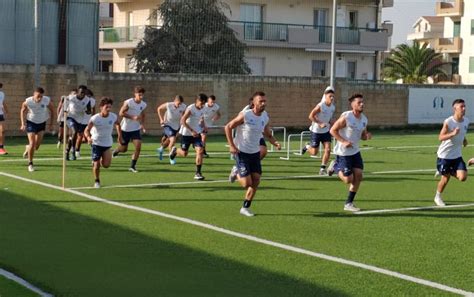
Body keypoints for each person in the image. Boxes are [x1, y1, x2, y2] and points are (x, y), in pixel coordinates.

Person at [225, 91, 281, 217]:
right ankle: (236, 171)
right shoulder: (246, 115)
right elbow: (228, 127)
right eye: (261, 101)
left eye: (265, 101)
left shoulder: (265, 116)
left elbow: (267, 133)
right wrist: (232, 146)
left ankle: (245, 207)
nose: (263, 103)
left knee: (256, 180)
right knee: (246, 183)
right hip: (242, 152)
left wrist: (275, 142)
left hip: (255, 153)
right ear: (254, 103)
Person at [329, 93, 371, 212]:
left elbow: (363, 135)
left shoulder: (364, 119)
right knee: (348, 180)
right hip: (343, 153)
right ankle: (335, 166)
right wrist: (343, 141)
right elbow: (333, 130)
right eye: (359, 102)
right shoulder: (346, 117)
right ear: (352, 104)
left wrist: (366, 136)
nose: (362, 104)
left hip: (355, 152)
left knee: (359, 176)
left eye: (362, 102)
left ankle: (349, 203)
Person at [433, 99, 469, 206]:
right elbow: (440, 137)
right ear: (455, 109)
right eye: (461, 107)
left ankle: (443, 171)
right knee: (445, 178)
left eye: (464, 106)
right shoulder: (449, 122)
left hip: (457, 155)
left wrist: (464, 140)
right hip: (444, 156)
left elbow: (462, 132)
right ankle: (437, 197)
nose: (464, 108)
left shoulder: (466, 121)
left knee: (463, 177)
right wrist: (452, 134)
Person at [84, 97, 120, 189]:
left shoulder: (113, 116)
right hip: (96, 143)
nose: (108, 109)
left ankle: (98, 160)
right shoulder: (95, 118)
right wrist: (88, 138)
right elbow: (86, 130)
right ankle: (97, 181)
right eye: (106, 107)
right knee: (96, 165)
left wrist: (120, 135)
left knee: (106, 165)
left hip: (107, 143)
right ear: (101, 107)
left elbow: (117, 124)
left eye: (110, 107)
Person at [169, 94, 207, 180]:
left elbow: (201, 118)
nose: (202, 105)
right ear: (197, 101)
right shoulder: (191, 108)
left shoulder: (203, 108)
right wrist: (191, 131)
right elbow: (182, 120)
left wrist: (204, 126)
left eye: (204, 103)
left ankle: (198, 173)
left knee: (200, 151)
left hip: (196, 134)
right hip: (186, 133)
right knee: (184, 153)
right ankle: (175, 151)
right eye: (201, 103)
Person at [20, 87, 55, 172]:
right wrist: (22, 123)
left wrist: (51, 124)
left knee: (37, 146)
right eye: (38, 96)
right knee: (32, 142)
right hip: (31, 122)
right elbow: (22, 110)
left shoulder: (46, 100)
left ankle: (28, 148)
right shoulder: (28, 101)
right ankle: (30, 163)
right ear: (34, 94)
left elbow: (53, 111)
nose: (39, 98)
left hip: (42, 123)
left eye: (41, 97)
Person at [113, 86, 147, 173]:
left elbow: (143, 114)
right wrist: (132, 117)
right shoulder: (129, 102)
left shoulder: (143, 104)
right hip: (125, 129)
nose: (141, 97)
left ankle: (132, 166)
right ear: (135, 94)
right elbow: (121, 113)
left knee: (138, 147)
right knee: (124, 149)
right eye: (139, 95)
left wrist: (142, 125)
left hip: (135, 129)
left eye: (142, 95)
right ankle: (116, 151)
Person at [302, 87, 336, 175]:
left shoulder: (332, 107)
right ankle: (307, 146)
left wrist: (335, 124)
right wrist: (320, 123)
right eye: (330, 96)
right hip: (316, 131)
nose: (331, 98)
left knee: (328, 150)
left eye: (333, 96)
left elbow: (329, 119)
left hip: (326, 131)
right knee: (314, 152)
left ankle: (322, 169)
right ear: (325, 96)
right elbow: (311, 116)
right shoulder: (320, 106)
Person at [64, 85, 93, 160]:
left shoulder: (87, 100)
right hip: (70, 117)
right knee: (75, 131)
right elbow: (63, 99)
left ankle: (67, 150)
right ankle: (73, 150)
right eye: (81, 92)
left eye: (84, 93)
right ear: (78, 92)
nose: (82, 94)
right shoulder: (72, 97)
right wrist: (64, 109)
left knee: (73, 136)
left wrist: (87, 111)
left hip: (80, 119)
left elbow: (89, 110)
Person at [156, 95, 186, 164]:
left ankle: (161, 149)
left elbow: (184, 115)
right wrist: (161, 119)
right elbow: (159, 109)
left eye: (180, 104)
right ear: (174, 101)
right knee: (173, 140)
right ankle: (171, 158)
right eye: (178, 103)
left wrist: (182, 122)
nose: (179, 105)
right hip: (167, 124)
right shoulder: (169, 105)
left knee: (168, 140)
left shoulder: (184, 106)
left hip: (176, 126)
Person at [0, 83, 9, 155]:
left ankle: (1, 148)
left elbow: (3, 102)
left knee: (2, 131)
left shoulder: (2, 94)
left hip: (0, 114)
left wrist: (7, 111)